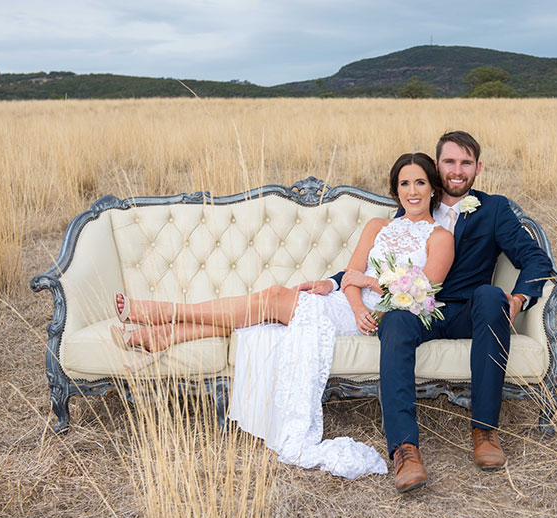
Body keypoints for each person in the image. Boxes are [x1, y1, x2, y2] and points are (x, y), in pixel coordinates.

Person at [110, 152, 454, 479]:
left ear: (433, 188)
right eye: (405, 184)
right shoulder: (377, 226)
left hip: (380, 320)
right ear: (395, 189)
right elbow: (349, 278)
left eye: (420, 183)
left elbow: (421, 294)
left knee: (274, 298)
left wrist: (367, 287)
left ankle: (162, 314)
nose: (412, 191)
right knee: (263, 316)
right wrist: (358, 302)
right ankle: (164, 334)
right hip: (351, 309)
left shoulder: (440, 238)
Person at [300, 131, 553, 492]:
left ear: (478, 168)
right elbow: (385, 261)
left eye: (466, 163)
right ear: (437, 167)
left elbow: (535, 259)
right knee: (397, 320)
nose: (457, 170)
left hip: (468, 312)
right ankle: (405, 449)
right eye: (450, 161)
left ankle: (485, 431)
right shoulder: (417, 201)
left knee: (491, 295)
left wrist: (519, 298)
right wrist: (336, 280)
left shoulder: (494, 209)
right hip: (417, 311)